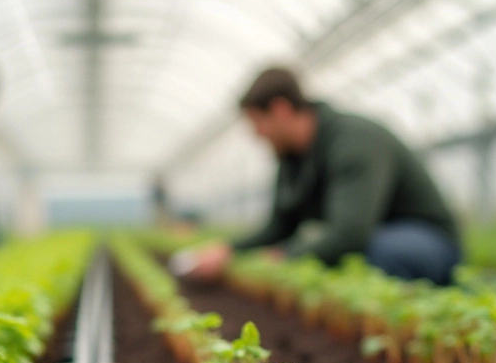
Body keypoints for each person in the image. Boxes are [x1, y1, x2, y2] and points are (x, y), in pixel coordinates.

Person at [186, 67, 461, 285]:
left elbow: (350, 234)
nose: (257, 135)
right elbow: (279, 227)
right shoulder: (291, 158)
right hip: (373, 238)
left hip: (427, 242)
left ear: (281, 110)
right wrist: (228, 250)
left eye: (258, 123)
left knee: (372, 252)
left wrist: (283, 257)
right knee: (336, 253)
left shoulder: (354, 140)